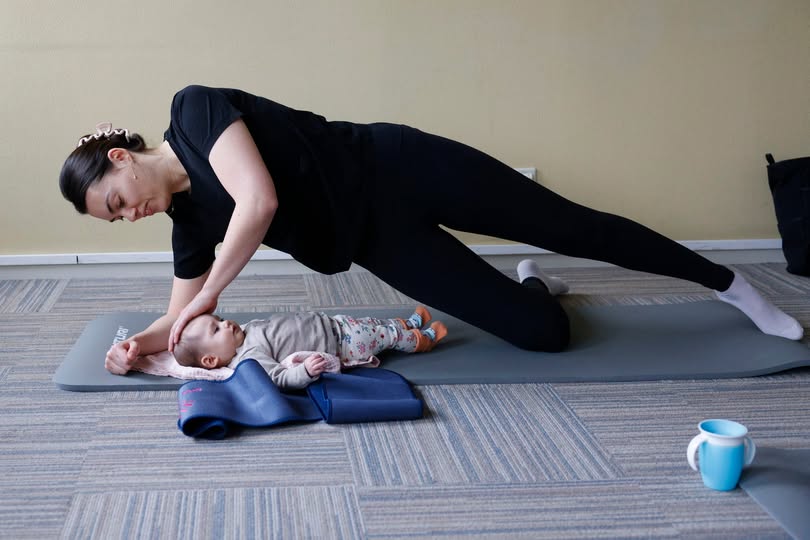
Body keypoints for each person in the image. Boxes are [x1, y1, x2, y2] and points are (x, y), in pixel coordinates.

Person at [58, 86, 803, 375]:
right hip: (381, 241)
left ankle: (731, 284)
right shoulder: (189, 224)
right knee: (544, 335)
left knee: (576, 225)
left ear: (120, 158)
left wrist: (208, 294)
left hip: (400, 168)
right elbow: (178, 306)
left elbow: (257, 205)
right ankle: (533, 283)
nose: (128, 216)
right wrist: (144, 344)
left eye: (116, 202)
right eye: (115, 220)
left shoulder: (193, 113)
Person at [173, 307, 447, 389]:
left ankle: (405, 324)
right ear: (211, 360)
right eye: (216, 329)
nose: (226, 323)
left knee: (374, 323)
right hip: (342, 344)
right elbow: (279, 380)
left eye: (219, 320)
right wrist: (304, 371)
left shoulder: (242, 333)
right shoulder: (249, 359)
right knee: (382, 336)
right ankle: (419, 341)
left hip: (332, 323)